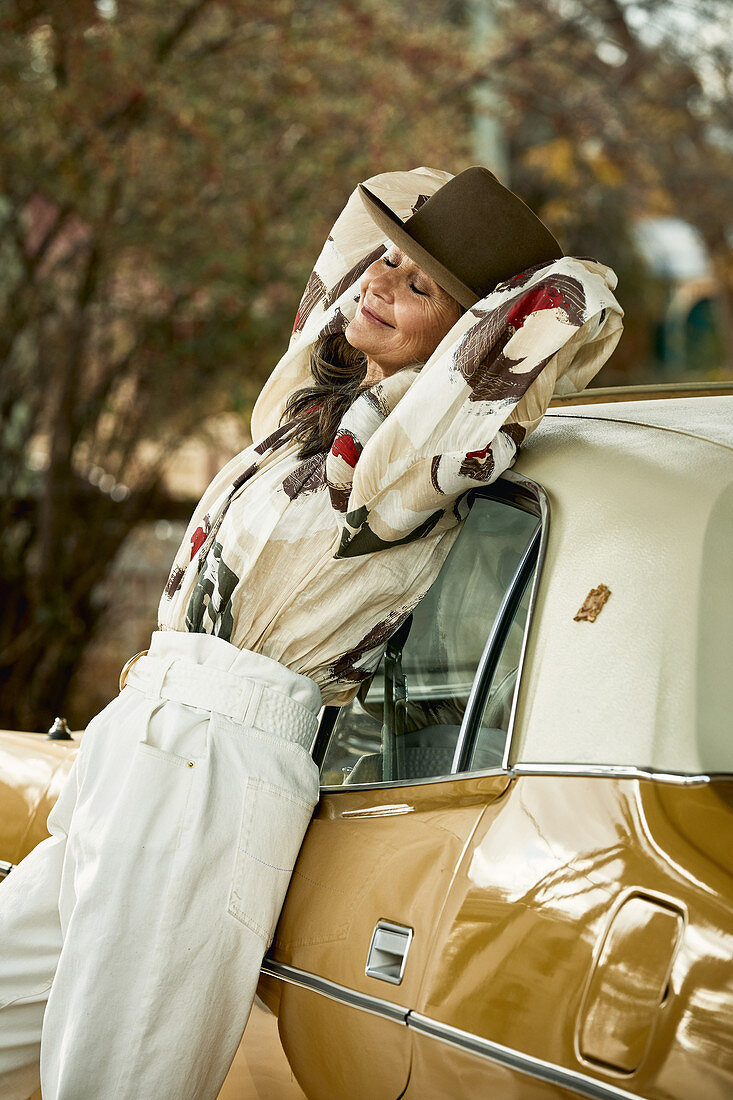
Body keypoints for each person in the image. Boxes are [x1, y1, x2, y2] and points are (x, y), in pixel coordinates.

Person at [0, 166, 623, 1099]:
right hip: (138, 736)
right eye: (388, 265)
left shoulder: (410, 462)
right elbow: (363, 216)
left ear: (468, 336)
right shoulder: (305, 411)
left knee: (117, 1077)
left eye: (419, 287)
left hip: (219, 762)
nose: (379, 284)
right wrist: (426, 235)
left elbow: (575, 299)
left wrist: (492, 276)